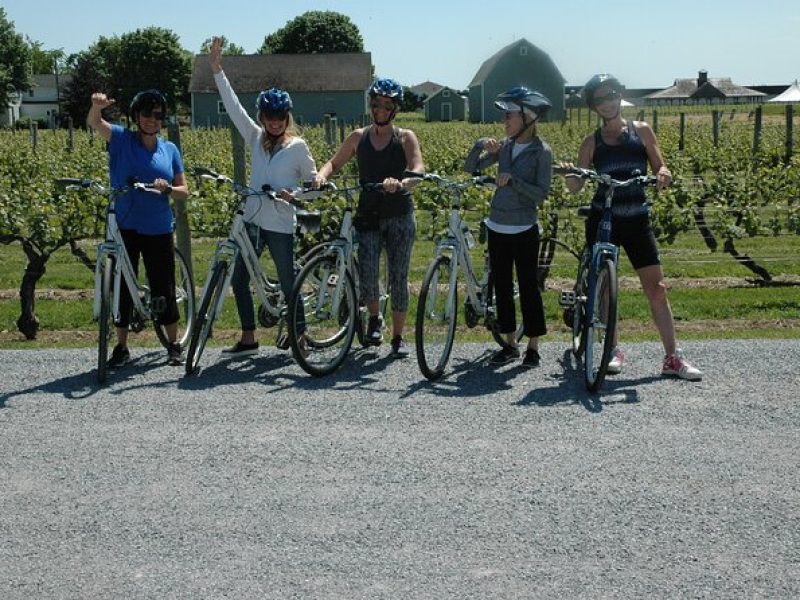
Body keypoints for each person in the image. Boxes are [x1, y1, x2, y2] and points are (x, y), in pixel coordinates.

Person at [562, 73, 702, 380]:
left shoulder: (641, 131)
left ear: (619, 96)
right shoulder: (591, 143)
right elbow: (575, 186)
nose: (607, 102)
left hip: (637, 218)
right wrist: (572, 173)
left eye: (611, 95)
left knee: (657, 289)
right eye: (599, 99)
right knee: (606, 289)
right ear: (593, 106)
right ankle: (612, 350)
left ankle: (672, 358)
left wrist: (663, 175)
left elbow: (659, 165)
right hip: (604, 220)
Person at [208, 36, 317, 357]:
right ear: (262, 117)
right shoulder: (254, 137)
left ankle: (301, 335)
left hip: (282, 224)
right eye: (269, 116)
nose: (274, 121)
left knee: (288, 283)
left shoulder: (298, 147)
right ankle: (248, 338)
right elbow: (233, 107)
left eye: (280, 117)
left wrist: (294, 193)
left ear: (287, 118)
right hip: (253, 220)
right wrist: (217, 69)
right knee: (239, 280)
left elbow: (313, 187)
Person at [313, 78, 424, 358]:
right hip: (369, 213)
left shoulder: (405, 137)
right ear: (371, 106)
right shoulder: (357, 137)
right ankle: (375, 319)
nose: (380, 109)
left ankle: (399, 337)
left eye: (387, 105)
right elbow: (334, 162)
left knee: (398, 276)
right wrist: (321, 176)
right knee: (368, 271)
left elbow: (417, 168)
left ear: (395, 108)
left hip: (399, 214)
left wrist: (401, 183)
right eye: (376, 104)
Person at [87, 89, 188, 368]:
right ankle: (121, 346)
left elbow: (183, 191)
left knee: (163, 286)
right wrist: (97, 108)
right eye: (146, 114)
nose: (152, 120)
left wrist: (167, 188)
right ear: (136, 116)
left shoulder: (169, 150)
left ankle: (174, 343)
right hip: (125, 225)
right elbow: (96, 124)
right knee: (120, 286)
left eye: (158, 115)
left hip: (157, 226)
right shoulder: (122, 140)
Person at [464, 86, 552, 367]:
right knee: (501, 286)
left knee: (528, 287)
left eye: (510, 116)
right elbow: (470, 169)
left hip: (524, 228)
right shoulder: (505, 147)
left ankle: (534, 347)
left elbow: (541, 194)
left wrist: (513, 180)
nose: (505, 121)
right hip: (497, 225)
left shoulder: (541, 151)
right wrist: (479, 144)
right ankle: (511, 344)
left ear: (528, 117)